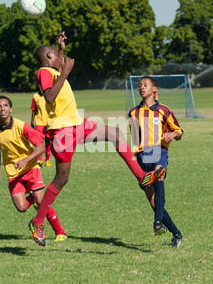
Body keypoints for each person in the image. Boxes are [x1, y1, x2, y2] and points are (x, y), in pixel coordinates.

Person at [30, 32, 165, 246]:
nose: (61, 59)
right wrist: (64, 71)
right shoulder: (43, 73)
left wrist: (61, 48)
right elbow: (49, 97)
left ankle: (141, 177)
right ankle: (38, 222)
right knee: (61, 179)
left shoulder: (54, 69)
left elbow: (61, 66)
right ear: (48, 57)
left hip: (78, 125)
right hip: (61, 132)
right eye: (57, 56)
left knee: (115, 133)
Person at [0, 95, 67, 242]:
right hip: (13, 173)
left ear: (11, 109)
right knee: (21, 207)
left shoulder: (20, 126)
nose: (2, 108)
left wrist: (26, 160)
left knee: (41, 199)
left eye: (5, 106)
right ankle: (36, 201)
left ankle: (60, 232)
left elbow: (42, 146)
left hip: (31, 168)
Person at [128, 76, 184, 247]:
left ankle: (157, 223)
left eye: (145, 85)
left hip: (159, 151)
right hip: (142, 158)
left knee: (159, 174)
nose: (141, 87)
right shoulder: (132, 112)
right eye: (140, 85)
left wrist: (172, 134)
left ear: (154, 90)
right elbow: (135, 138)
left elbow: (179, 131)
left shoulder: (163, 110)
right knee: (153, 202)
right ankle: (177, 233)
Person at [31, 91, 52, 167]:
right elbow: (33, 110)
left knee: (48, 141)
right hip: (39, 122)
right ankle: (40, 160)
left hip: (49, 122)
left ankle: (47, 160)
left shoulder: (50, 94)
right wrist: (32, 121)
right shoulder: (35, 96)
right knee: (39, 142)